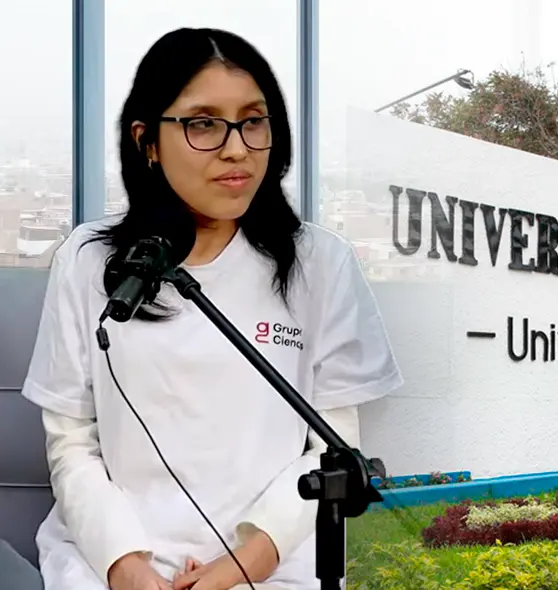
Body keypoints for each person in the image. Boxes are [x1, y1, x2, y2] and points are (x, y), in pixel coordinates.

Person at [20, 27, 402, 590]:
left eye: (253, 121)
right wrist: (125, 565)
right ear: (147, 140)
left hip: (275, 563)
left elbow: (332, 449)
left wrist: (247, 563)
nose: (237, 147)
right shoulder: (87, 258)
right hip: (111, 561)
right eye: (203, 123)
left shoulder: (321, 262)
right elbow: (72, 441)